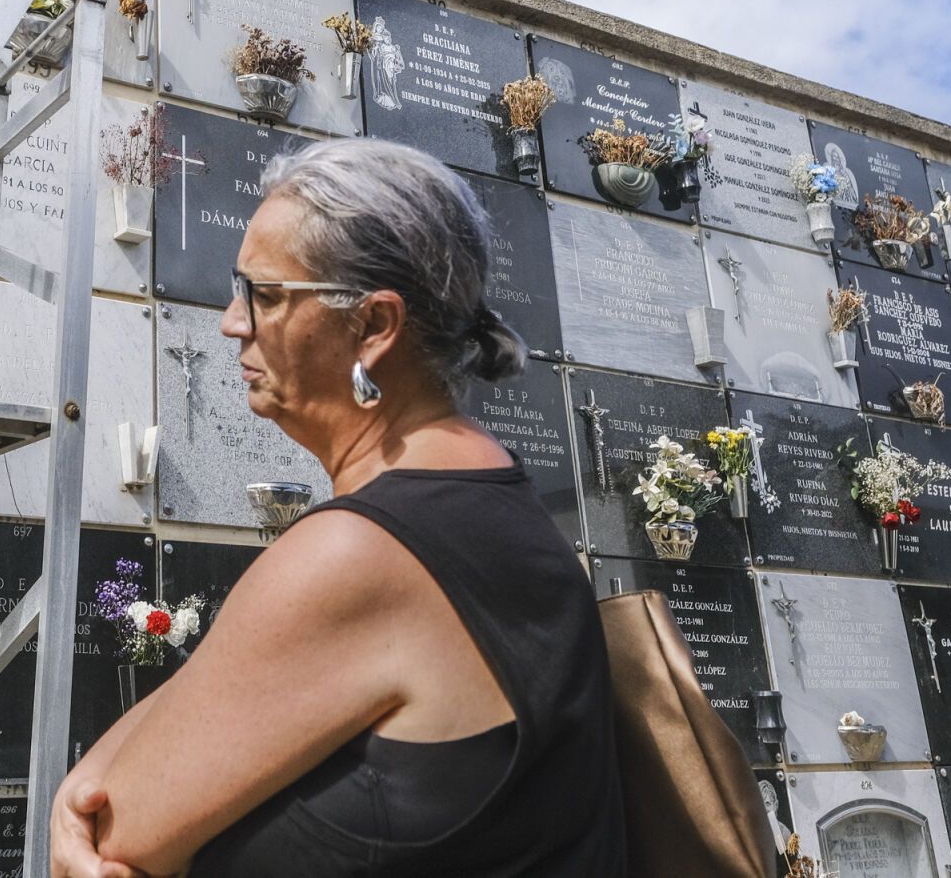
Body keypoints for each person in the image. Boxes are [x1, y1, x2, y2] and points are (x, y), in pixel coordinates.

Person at [51, 139, 626, 877]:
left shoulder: (363, 554)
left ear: (373, 327)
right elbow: (167, 735)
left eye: (262, 294)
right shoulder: (485, 495)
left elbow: (114, 830)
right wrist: (82, 786)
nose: (233, 322)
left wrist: (81, 794)